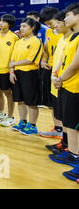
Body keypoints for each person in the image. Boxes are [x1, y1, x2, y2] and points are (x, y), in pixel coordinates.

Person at [51, 2, 79, 181]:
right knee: (69, 124)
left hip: (74, 87)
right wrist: (56, 76)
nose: (65, 18)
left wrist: (60, 79)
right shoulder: (71, 38)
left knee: (74, 126)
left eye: (68, 15)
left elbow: (76, 64)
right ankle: (72, 154)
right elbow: (63, 61)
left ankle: (75, 158)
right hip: (66, 86)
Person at [9, 17, 43, 136]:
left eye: (24, 26)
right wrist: (11, 72)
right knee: (20, 100)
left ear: (32, 28)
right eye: (21, 26)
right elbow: (12, 58)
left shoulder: (36, 41)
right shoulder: (18, 42)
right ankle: (23, 122)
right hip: (17, 74)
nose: (21, 28)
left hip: (30, 74)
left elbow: (30, 60)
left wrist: (13, 64)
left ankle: (32, 126)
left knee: (31, 101)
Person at [45, 10, 72, 155]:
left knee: (69, 119)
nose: (54, 26)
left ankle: (70, 147)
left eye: (57, 23)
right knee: (62, 115)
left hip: (67, 83)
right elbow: (59, 61)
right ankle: (64, 142)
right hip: (57, 82)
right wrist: (54, 76)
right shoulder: (62, 38)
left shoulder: (72, 40)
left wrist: (60, 78)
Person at [0, 14, 19, 127]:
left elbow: (15, 55)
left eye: (4, 21)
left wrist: (12, 70)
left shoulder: (14, 37)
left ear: (9, 24)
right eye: (0, 20)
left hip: (6, 70)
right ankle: (1, 113)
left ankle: (11, 117)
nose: (1, 23)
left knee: (8, 93)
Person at [39, 7, 63, 138]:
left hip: (63, 72)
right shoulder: (49, 32)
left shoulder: (66, 33)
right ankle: (58, 128)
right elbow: (46, 49)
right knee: (53, 102)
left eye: (51, 22)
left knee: (63, 103)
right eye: (47, 24)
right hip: (51, 70)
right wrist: (43, 60)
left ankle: (66, 132)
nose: (50, 25)